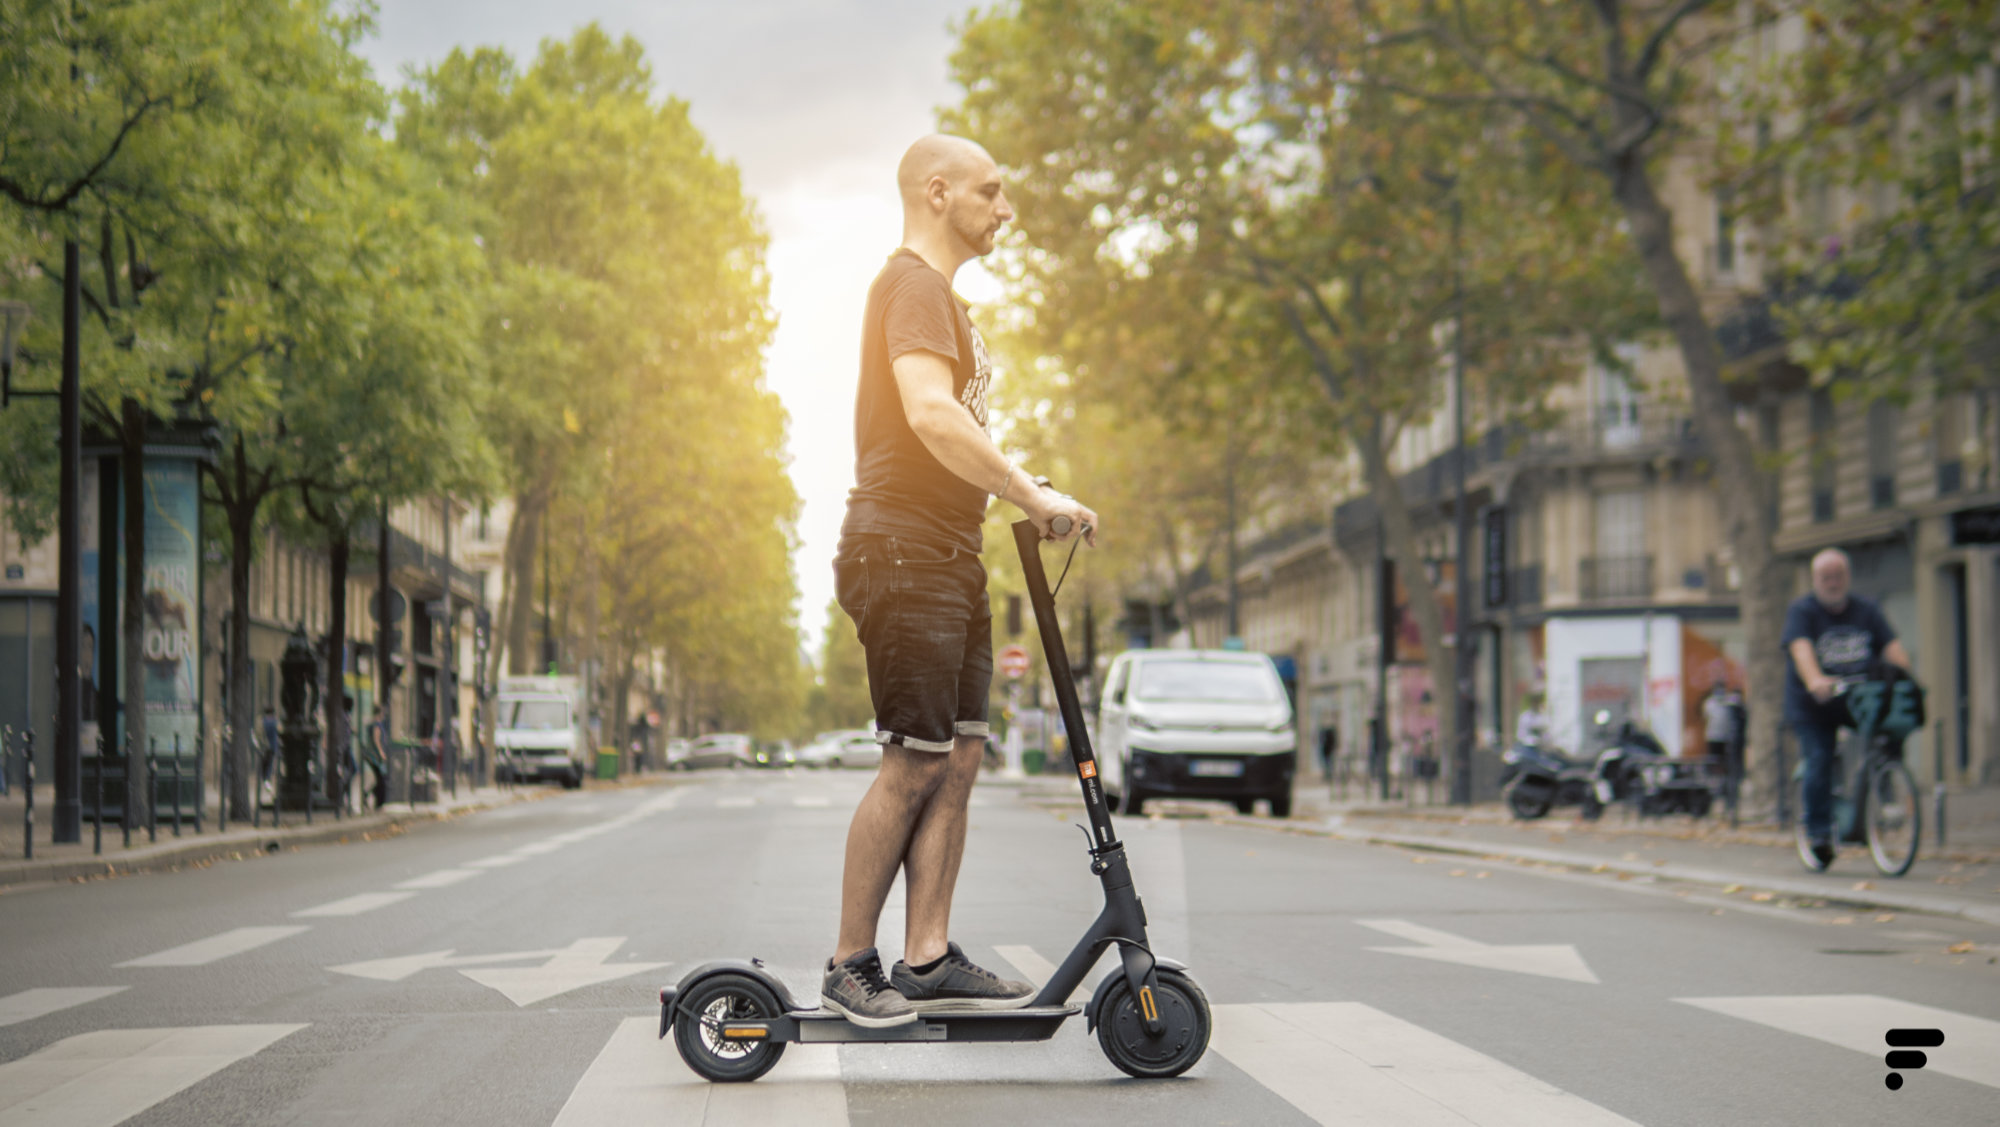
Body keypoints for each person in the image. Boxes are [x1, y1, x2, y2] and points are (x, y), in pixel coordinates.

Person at [823, 134, 1097, 1028]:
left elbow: (949, 425)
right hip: (900, 550)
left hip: (949, 552)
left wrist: (1015, 497)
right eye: (992, 191)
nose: (1006, 209)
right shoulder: (911, 285)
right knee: (914, 758)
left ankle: (928, 956)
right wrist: (1028, 491)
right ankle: (850, 964)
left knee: (962, 753)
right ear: (937, 193)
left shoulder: (949, 301)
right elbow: (930, 412)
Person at [1784, 548, 1912, 870]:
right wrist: (1815, 680)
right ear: (1815, 580)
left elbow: (1892, 648)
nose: (1832, 582)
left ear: (1848, 577)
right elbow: (1801, 650)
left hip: (1858, 698)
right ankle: (1819, 834)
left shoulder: (1867, 609)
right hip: (1814, 704)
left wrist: (1907, 678)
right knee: (1819, 758)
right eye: (1826, 577)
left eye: (1838, 576)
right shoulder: (1802, 611)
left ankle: (1886, 791)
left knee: (1888, 734)